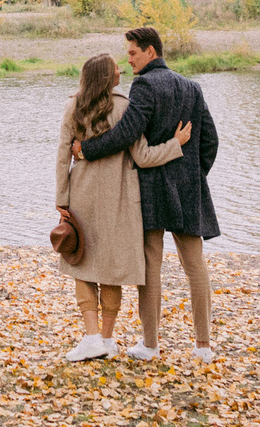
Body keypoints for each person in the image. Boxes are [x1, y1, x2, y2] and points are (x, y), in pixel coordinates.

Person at [74, 24, 219, 362]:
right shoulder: (192, 87)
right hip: (187, 189)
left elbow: (126, 133)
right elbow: (210, 141)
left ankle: (150, 345)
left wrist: (87, 150)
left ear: (150, 51)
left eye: (133, 53)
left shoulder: (144, 85)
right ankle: (203, 346)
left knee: (151, 267)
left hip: (152, 188)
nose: (129, 60)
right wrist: (193, 176)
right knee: (195, 266)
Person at [54, 52, 191, 361]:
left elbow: (62, 156)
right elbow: (143, 156)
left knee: (81, 262)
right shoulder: (125, 107)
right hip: (119, 199)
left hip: (82, 196)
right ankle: (105, 338)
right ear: (106, 77)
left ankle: (92, 338)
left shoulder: (73, 106)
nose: (121, 71)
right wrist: (176, 144)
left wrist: (61, 198)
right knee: (110, 268)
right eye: (115, 68)